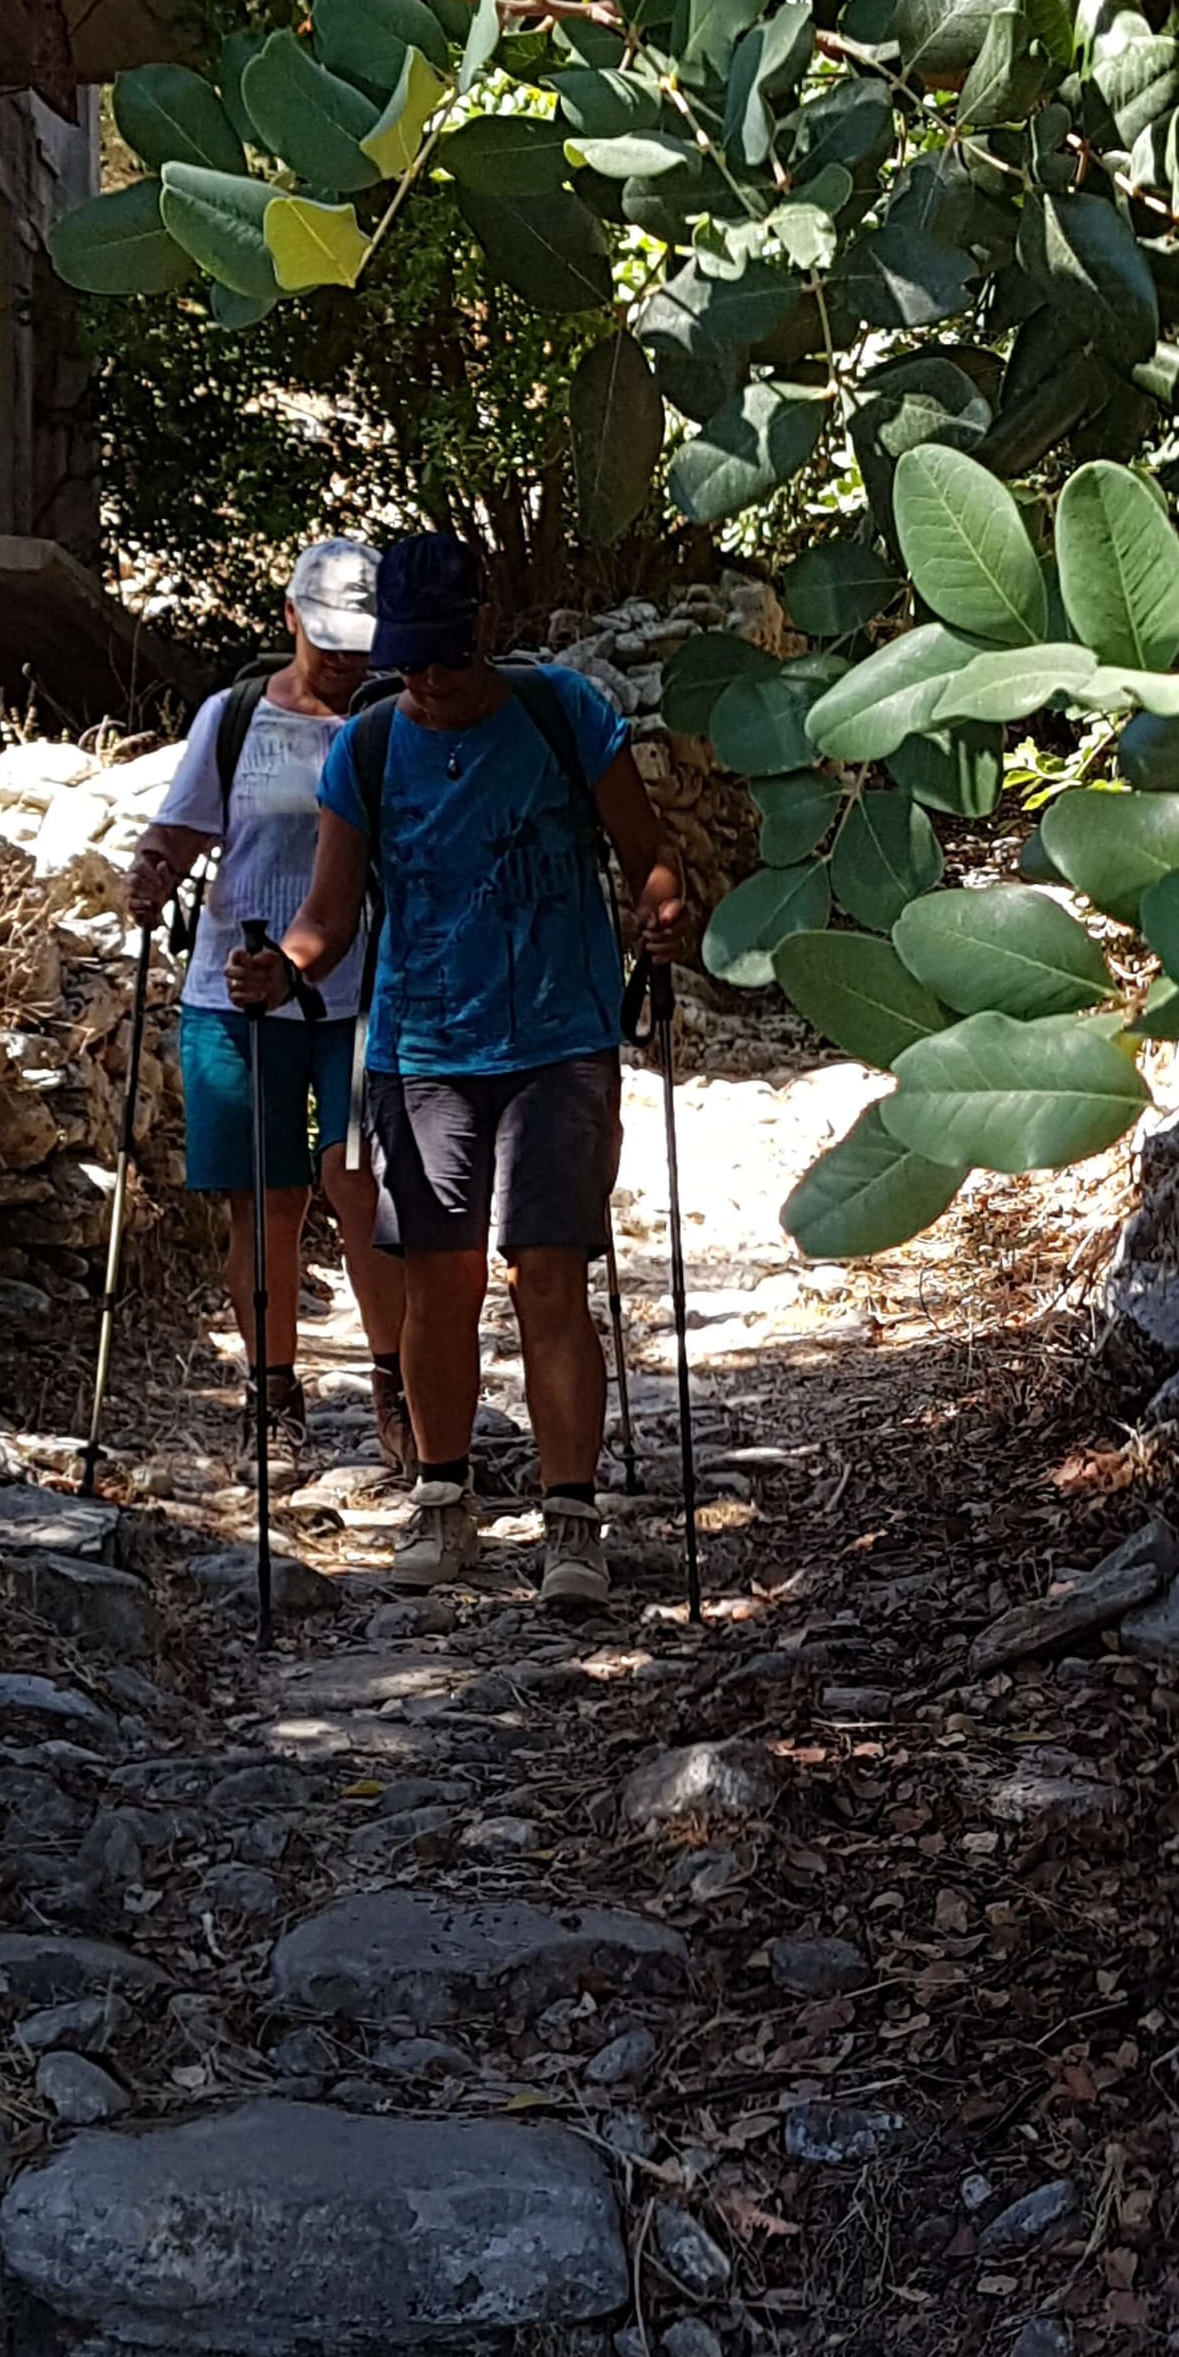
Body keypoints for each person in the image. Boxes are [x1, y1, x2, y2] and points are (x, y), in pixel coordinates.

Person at [226, 532, 686, 1605]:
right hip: (418, 1048)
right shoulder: (371, 746)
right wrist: (277, 975)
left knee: (548, 1274)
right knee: (437, 1278)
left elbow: (647, 851)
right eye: (409, 664)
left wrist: (663, 912)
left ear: (484, 631)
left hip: (559, 1040)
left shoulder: (561, 712)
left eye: (446, 660)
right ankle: (444, 1503)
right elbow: (328, 921)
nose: (427, 684)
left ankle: (570, 1523)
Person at [125, 537, 410, 1486]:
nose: (342, 656)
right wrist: (152, 870)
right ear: (289, 617)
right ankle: (274, 1397)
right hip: (235, 989)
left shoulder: (394, 719)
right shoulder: (235, 716)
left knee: (359, 1183)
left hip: (361, 992)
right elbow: (182, 825)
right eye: (327, 635)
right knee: (264, 1198)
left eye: (358, 639)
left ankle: (398, 1382)